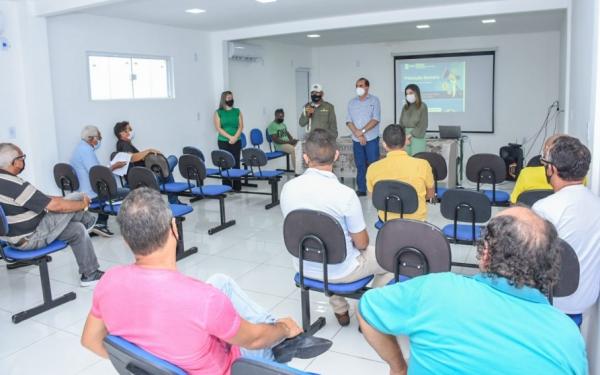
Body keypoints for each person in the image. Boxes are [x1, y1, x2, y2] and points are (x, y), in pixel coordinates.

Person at [81, 187, 332, 374]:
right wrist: (283, 327)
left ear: (126, 240)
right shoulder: (203, 300)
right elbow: (254, 339)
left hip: (170, 355)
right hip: (233, 367)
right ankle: (286, 341)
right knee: (267, 334)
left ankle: (286, 338)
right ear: (174, 229)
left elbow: (90, 340)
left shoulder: (109, 281)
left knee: (220, 281)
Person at [357, 206, 587, 375]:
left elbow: (366, 309)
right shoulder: (568, 336)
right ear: (549, 263)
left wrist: (398, 368)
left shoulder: (437, 290)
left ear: (486, 253)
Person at [280, 129, 392, 327]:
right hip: (340, 270)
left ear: (305, 158)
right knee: (391, 258)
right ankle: (365, 310)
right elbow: (362, 243)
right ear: (337, 156)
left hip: (304, 266)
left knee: (329, 248)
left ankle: (340, 309)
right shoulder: (345, 195)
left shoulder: (288, 188)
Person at [0, 143, 104, 286]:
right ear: (14, 161)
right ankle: (90, 221)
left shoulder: (4, 181)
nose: (23, 161)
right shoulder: (13, 184)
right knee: (77, 197)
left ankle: (90, 274)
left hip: (14, 239)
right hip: (32, 237)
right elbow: (56, 207)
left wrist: (63, 201)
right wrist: (83, 204)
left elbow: (42, 198)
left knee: (77, 229)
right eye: (22, 157)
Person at [533, 135, 600, 322]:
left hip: (552, 302)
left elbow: (531, 261)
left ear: (551, 169)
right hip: (585, 301)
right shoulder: (597, 204)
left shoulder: (544, 208)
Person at [366, 124, 434, 222]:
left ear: (384, 144)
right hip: (416, 221)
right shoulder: (423, 165)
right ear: (406, 141)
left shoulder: (373, 168)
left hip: (387, 221)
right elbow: (430, 195)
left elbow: (373, 197)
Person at [70, 125, 128, 237]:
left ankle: (100, 224)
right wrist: (114, 166)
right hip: (92, 194)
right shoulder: (86, 150)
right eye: (99, 137)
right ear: (92, 138)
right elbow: (97, 174)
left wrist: (110, 167)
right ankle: (103, 224)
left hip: (84, 191)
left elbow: (94, 170)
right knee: (128, 192)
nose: (99, 140)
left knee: (106, 189)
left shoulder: (79, 148)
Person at [113, 121, 181, 204]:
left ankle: (174, 201)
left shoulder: (124, 144)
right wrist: (149, 151)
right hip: (146, 179)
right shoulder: (123, 144)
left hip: (145, 175)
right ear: (122, 133)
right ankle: (174, 201)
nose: (131, 131)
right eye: (129, 129)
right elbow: (131, 157)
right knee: (172, 160)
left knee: (166, 168)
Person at [346, 78, 381, 196]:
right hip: (356, 139)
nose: (358, 88)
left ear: (367, 87)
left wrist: (362, 132)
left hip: (371, 138)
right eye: (357, 86)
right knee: (360, 164)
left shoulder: (374, 100)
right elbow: (348, 121)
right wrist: (357, 133)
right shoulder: (352, 102)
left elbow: (375, 119)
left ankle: (375, 188)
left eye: (361, 85)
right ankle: (361, 188)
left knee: (373, 164)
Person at [214, 91, 244, 191]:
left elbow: (241, 126)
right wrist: (230, 137)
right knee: (225, 163)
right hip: (223, 141)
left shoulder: (237, 111)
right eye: (228, 98)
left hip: (237, 140)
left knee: (236, 163)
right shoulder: (218, 112)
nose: (230, 99)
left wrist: (235, 137)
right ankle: (226, 186)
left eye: (231, 97)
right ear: (224, 99)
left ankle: (237, 186)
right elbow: (218, 128)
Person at [398, 84, 428, 155]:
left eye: (410, 93)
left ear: (416, 93)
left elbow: (422, 124)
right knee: (406, 160)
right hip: (405, 138)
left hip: (417, 137)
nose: (408, 95)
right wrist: (403, 137)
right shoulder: (405, 107)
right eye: (407, 94)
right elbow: (401, 123)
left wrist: (409, 136)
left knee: (417, 159)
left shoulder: (422, 106)